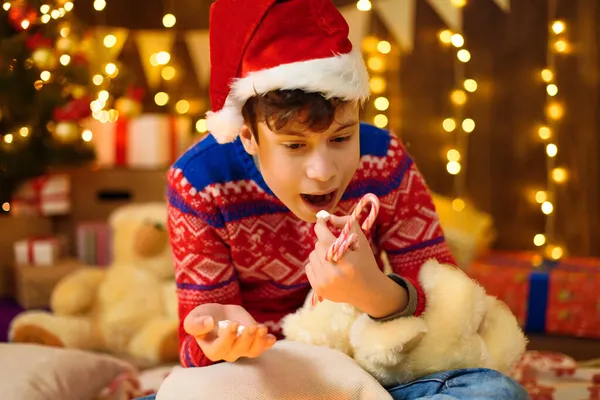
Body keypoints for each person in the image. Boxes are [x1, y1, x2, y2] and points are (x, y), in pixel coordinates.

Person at [137, 0, 529, 398]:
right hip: (256, 382)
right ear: (248, 136)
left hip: (367, 374)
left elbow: (451, 305)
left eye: (341, 138)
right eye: (294, 145)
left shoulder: (384, 161)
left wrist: (373, 292)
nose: (323, 170)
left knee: (494, 392)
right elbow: (196, 346)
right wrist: (217, 342)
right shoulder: (200, 182)